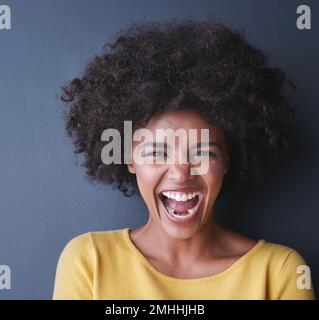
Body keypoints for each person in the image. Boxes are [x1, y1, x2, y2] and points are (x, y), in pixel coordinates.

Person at [52, 18, 315, 299]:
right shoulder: (89, 261)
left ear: (227, 159)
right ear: (130, 158)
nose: (180, 172)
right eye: (156, 153)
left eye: (202, 152)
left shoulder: (278, 273)